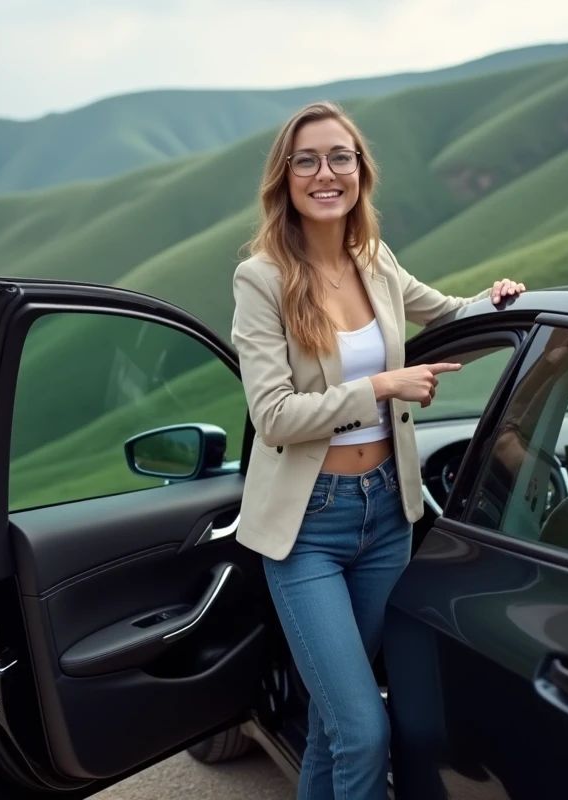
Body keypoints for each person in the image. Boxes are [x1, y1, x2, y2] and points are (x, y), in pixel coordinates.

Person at [229, 100, 526, 800]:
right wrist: (381, 386)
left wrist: (500, 300)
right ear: (285, 178)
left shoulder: (376, 261)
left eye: (341, 157)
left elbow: (451, 316)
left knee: (334, 724)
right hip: (308, 528)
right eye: (307, 160)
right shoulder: (262, 279)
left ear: (361, 171)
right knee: (363, 730)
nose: (325, 173)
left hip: (388, 515)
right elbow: (273, 416)